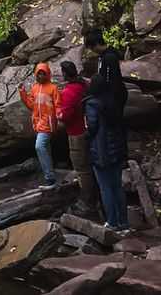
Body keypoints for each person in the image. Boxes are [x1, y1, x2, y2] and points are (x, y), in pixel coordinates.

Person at [84, 73, 129, 233]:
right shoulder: (114, 101)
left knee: (105, 188)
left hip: (101, 151)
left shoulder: (92, 104)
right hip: (116, 150)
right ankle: (124, 223)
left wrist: (86, 133)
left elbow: (92, 127)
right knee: (117, 186)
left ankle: (112, 222)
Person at [58, 60, 98, 211]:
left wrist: (58, 114)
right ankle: (95, 195)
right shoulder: (84, 85)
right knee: (91, 164)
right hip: (91, 130)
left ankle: (87, 201)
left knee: (82, 169)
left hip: (76, 133)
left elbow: (65, 116)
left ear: (64, 74)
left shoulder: (68, 92)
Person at [19, 62, 61, 187]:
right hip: (37, 123)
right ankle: (51, 173)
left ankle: (49, 178)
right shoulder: (34, 88)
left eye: (43, 74)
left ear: (47, 74)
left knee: (39, 146)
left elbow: (58, 104)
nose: (41, 76)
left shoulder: (53, 88)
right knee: (46, 148)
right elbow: (31, 105)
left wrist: (59, 114)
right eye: (39, 74)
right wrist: (22, 93)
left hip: (48, 124)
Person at [84, 28, 128, 120]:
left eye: (92, 48)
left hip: (114, 97)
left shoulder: (109, 57)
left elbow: (112, 80)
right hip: (109, 96)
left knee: (114, 123)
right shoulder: (103, 56)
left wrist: (107, 101)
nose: (92, 51)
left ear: (96, 44)